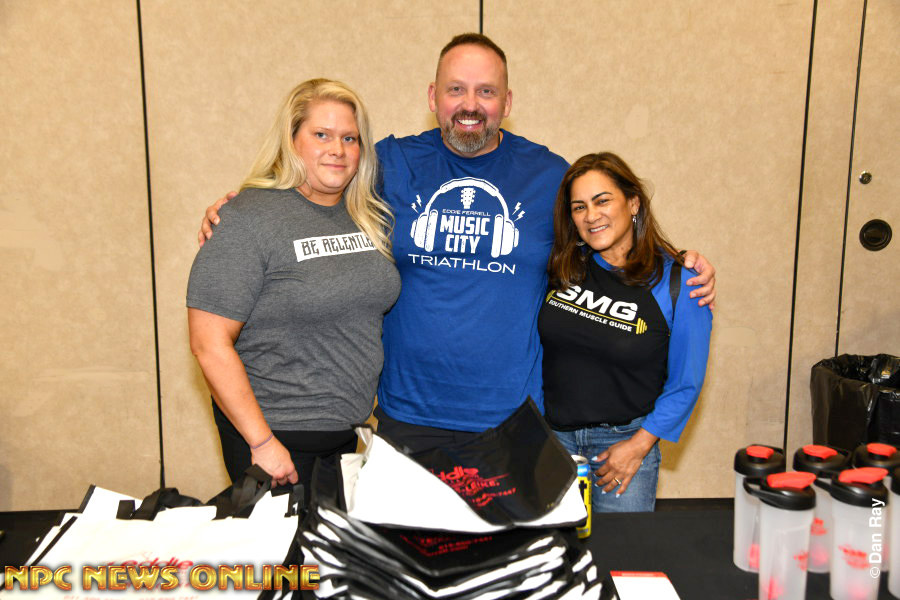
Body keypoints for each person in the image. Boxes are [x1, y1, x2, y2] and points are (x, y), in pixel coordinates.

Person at [197, 34, 716, 453]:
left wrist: (676, 262)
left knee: (507, 555)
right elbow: (315, 186)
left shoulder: (548, 175)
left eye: (486, 92)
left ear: (507, 102)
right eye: (456, 90)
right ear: (433, 97)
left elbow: (603, 230)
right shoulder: (387, 164)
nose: (470, 105)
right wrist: (239, 209)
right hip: (407, 417)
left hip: (513, 421)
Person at [187, 79, 400, 492]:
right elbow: (208, 343)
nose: (337, 149)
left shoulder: (368, 217)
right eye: (321, 135)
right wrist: (262, 443)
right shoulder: (247, 218)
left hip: (345, 438)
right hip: (274, 440)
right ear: (291, 140)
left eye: (350, 138)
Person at [539, 152, 712, 512]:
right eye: (579, 207)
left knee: (623, 548)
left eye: (602, 200)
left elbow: (686, 382)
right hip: (553, 442)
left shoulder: (680, 281)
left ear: (633, 203)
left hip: (622, 446)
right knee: (554, 547)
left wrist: (638, 447)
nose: (591, 215)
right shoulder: (561, 266)